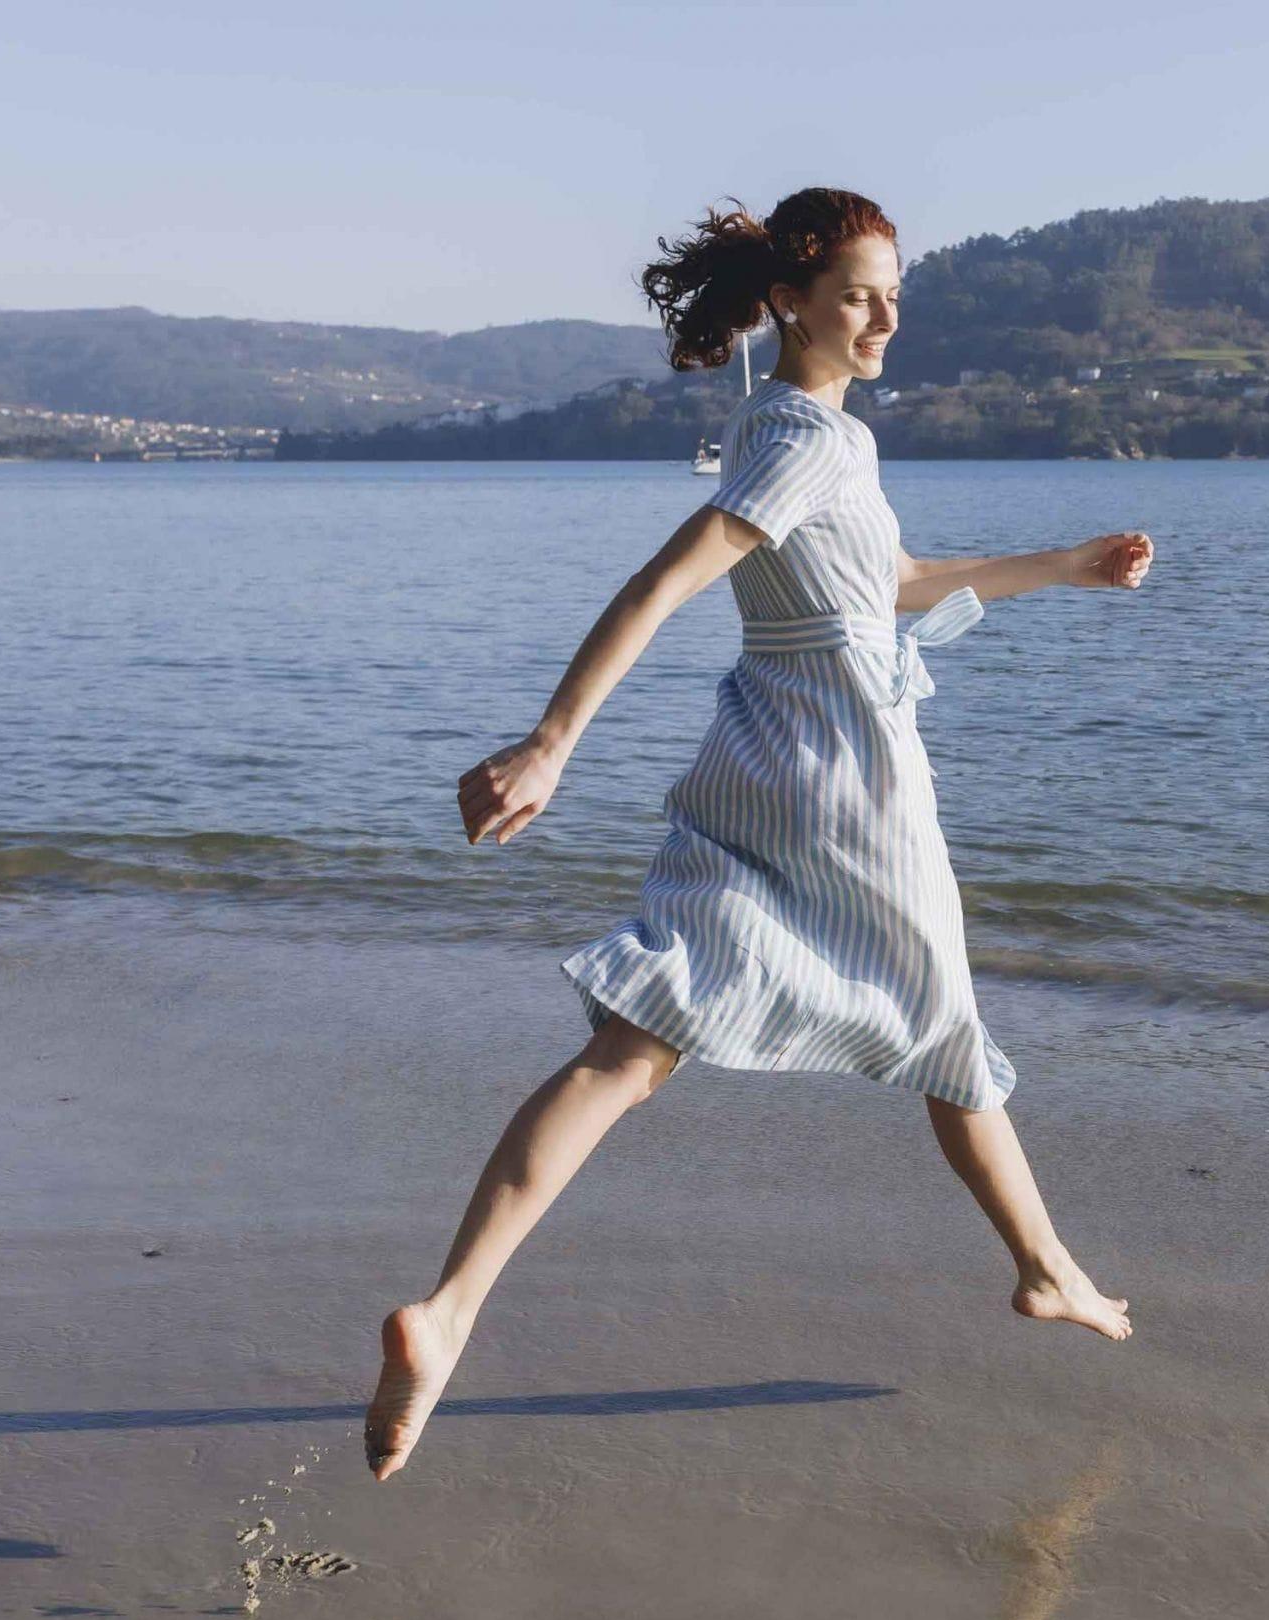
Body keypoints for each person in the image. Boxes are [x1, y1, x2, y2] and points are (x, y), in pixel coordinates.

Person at [364, 187, 1153, 1482]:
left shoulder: (797, 430)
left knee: (634, 1045)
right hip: (846, 776)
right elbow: (669, 579)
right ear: (791, 301)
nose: (886, 315)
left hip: (754, 756)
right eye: (858, 293)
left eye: (894, 292)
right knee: (943, 1024)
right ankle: (1049, 1270)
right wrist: (552, 739)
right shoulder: (812, 442)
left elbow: (884, 588)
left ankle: (448, 1314)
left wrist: (1061, 566)